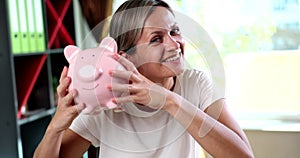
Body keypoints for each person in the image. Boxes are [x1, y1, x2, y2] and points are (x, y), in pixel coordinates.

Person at [34, 0, 254, 157]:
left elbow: (243, 155)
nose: (174, 44)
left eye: (174, 31)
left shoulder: (195, 83)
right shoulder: (104, 101)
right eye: (157, 39)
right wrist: (56, 126)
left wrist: (169, 100)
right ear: (126, 56)